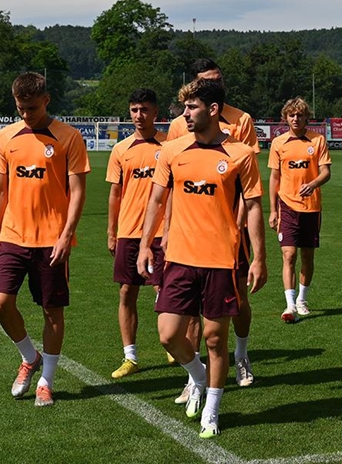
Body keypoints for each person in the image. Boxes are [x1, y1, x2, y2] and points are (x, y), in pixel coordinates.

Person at [136, 78, 267, 438]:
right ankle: (197, 376)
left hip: (222, 260)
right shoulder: (172, 150)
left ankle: (211, 410)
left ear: (213, 110)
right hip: (178, 257)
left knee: (214, 338)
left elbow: (255, 206)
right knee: (168, 335)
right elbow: (156, 200)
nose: (185, 114)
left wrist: (258, 257)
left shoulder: (241, 154)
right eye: (184, 107)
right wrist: (146, 244)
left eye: (191, 107)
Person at [0, 72, 90, 407]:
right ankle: (29, 357)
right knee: (0, 303)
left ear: (46, 100)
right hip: (12, 236)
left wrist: (66, 235)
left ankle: (46, 380)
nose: (25, 114)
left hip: (51, 239)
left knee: (52, 311)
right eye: (20, 108)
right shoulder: (7, 137)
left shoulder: (69, 137)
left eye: (31, 108)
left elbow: (77, 192)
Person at [168, 58, 260, 398]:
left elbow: (246, 183)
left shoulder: (242, 120)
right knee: (191, 310)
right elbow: (175, 180)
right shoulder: (180, 124)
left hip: (231, 230)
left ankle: (241, 355)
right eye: (207, 79)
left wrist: (237, 223)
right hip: (190, 235)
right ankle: (194, 378)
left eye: (218, 79)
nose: (215, 83)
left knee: (238, 298)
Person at [105, 88, 167, 379]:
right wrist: (111, 232)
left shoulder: (170, 146)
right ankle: (130, 357)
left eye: (144, 110)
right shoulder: (121, 149)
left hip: (162, 231)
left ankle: (172, 343)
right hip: (129, 231)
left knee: (164, 288)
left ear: (155, 112)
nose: (138, 115)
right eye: (134, 110)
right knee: (127, 291)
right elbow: (115, 193)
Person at [268, 97, 332, 323]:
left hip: (311, 208)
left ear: (306, 118)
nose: (295, 118)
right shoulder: (279, 143)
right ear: (285, 118)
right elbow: (274, 177)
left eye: (300, 115)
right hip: (287, 206)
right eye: (292, 115)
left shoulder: (318, 140)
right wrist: (273, 210)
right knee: (289, 254)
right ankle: (290, 305)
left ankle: (302, 299)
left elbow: (326, 172)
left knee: (307, 256)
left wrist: (313, 184)